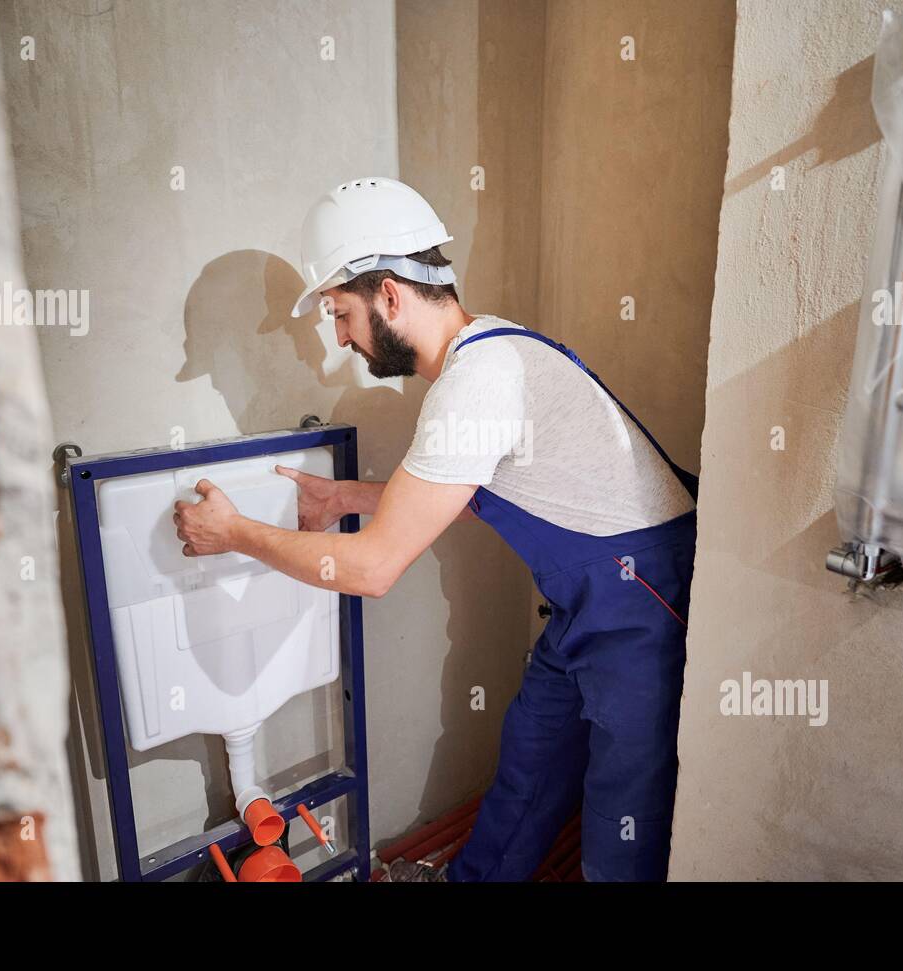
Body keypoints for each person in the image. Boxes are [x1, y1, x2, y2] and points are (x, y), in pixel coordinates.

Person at [174, 177, 697, 881]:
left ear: (389, 295)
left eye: (340, 313)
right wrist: (342, 499)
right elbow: (456, 484)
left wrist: (233, 532)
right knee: (529, 767)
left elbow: (372, 569)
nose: (339, 338)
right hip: (594, 602)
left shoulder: (475, 383)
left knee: (619, 836)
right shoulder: (486, 350)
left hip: (644, 608)